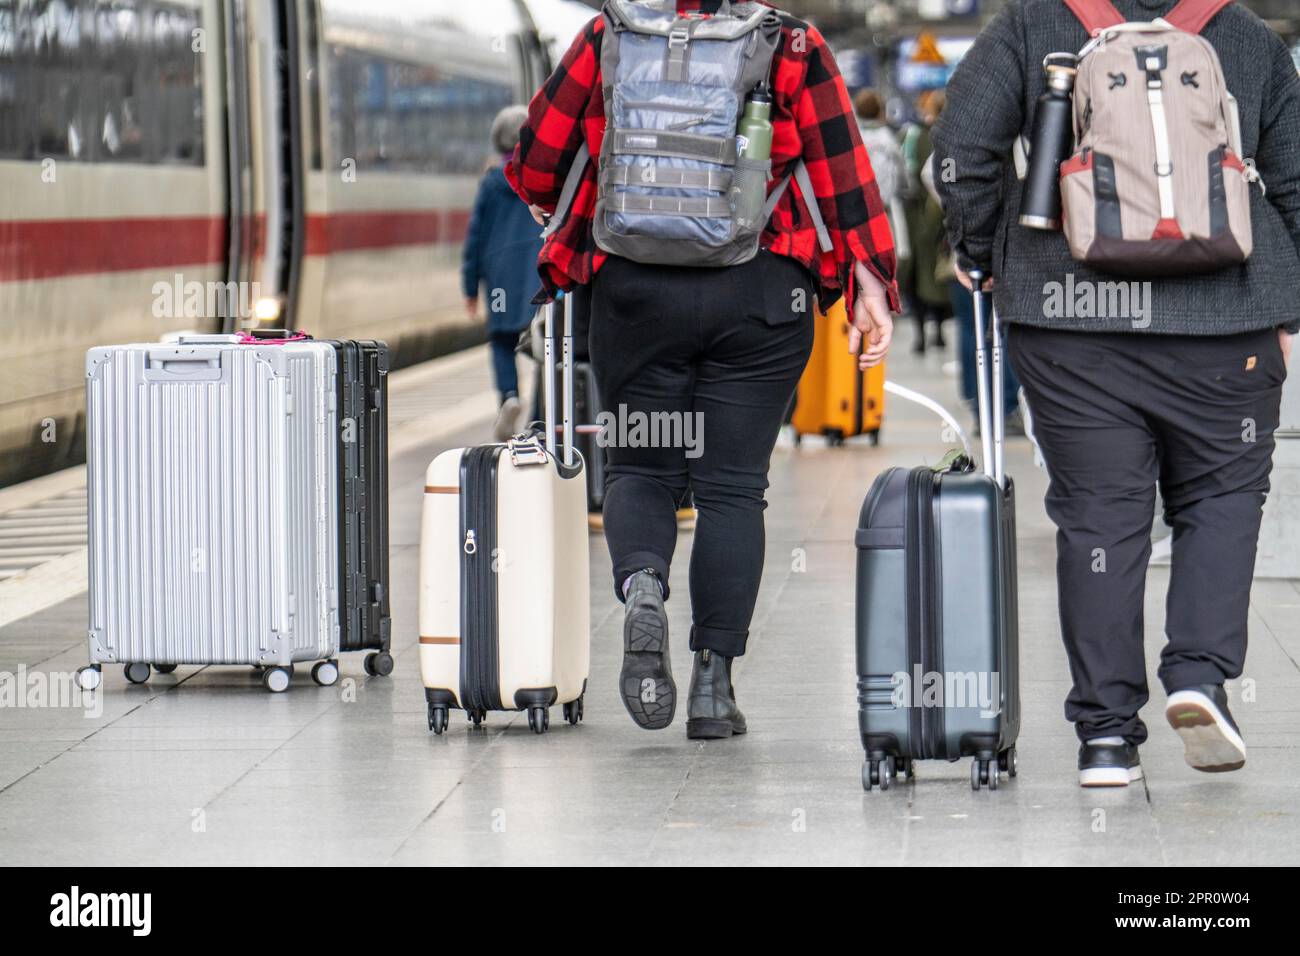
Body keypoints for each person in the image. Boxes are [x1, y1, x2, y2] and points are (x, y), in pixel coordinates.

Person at [507, 0, 898, 738]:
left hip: (634, 291)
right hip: (760, 293)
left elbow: (534, 164)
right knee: (732, 491)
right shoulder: (791, 43)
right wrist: (870, 282)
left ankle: (645, 584)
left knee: (640, 470)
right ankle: (713, 688)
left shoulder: (608, 36)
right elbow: (843, 175)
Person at [934, 0, 1299, 787]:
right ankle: (1199, 677)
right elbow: (1296, 178)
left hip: (1070, 321)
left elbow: (962, 146)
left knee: (1099, 517)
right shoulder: (1244, 37)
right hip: (1225, 319)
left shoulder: (1030, 24)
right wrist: (1285, 304)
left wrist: (984, 249)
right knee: (1222, 498)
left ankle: (1105, 737)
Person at [462, 105, 545, 441]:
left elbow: (474, 240)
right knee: (543, 346)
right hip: (536, 273)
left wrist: (470, 288)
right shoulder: (540, 179)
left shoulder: (491, 184)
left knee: (501, 342)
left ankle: (509, 396)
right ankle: (540, 416)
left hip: (500, 281)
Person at [900, 90, 952, 354]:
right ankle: (939, 332)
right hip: (943, 217)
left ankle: (921, 334)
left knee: (916, 278)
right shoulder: (953, 135)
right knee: (940, 277)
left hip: (914, 216)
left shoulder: (911, 136)